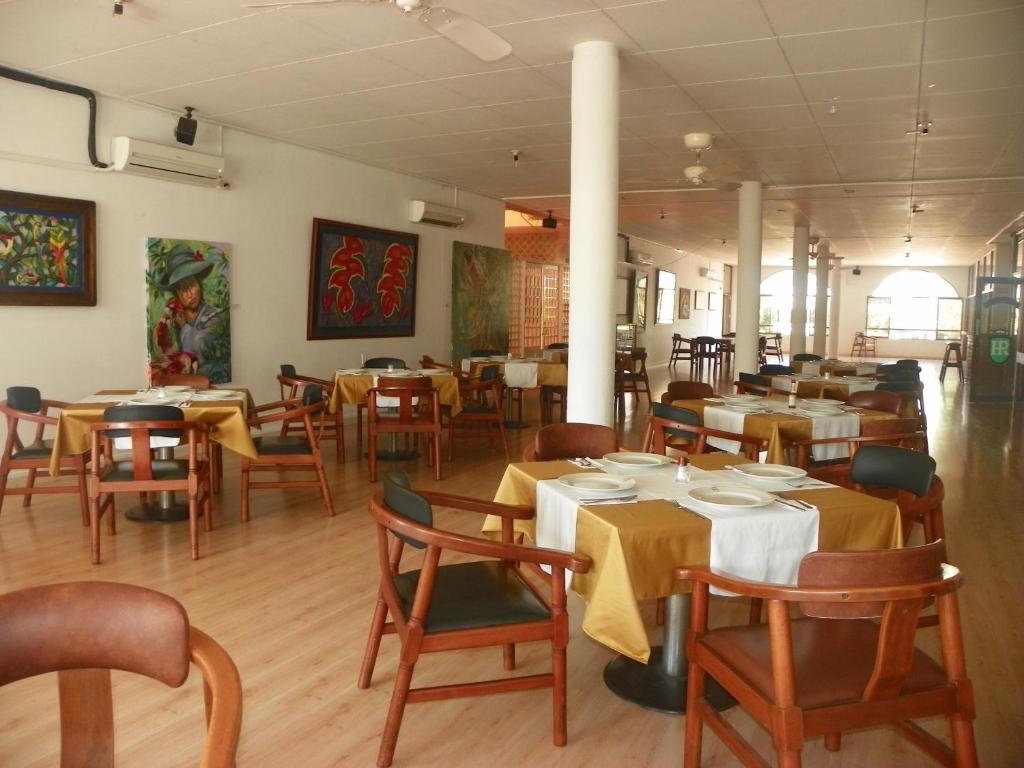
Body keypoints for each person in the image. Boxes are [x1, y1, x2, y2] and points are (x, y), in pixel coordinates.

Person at [151, 245, 228, 380]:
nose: (190, 294)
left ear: (199, 285)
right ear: (177, 294)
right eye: (183, 290)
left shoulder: (214, 316)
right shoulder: (171, 318)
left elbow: (200, 347)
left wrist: (185, 327)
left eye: (192, 285)